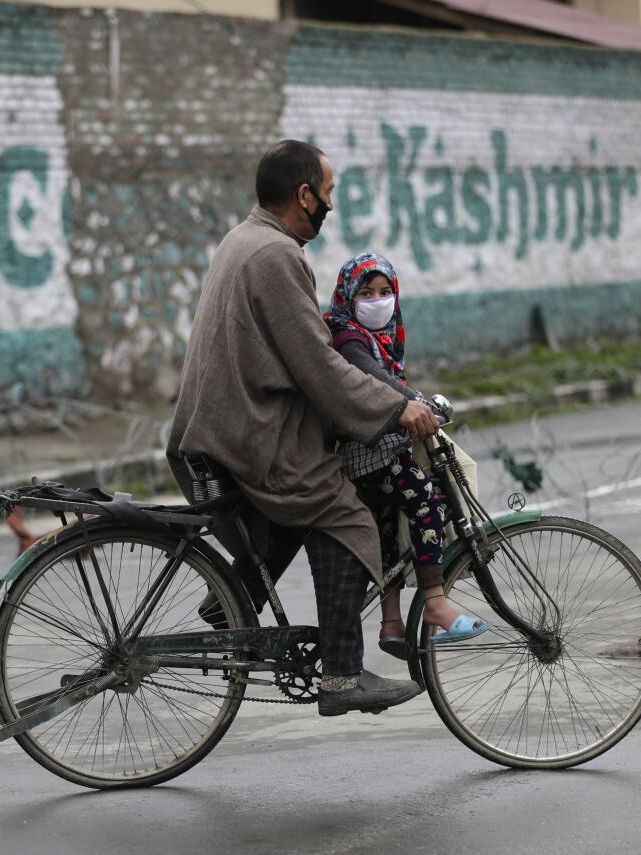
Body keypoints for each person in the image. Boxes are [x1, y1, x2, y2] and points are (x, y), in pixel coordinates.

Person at [166, 139, 440, 717]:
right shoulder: (276, 255)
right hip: (248, 433)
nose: (332, 204)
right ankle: (341, 677)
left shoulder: (246, 238)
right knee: (343, 512)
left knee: (307, 490)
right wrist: (395, 408)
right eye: (329, 192)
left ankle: (235, 595)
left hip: (224, 425)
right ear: (304, 194)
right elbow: (318, 365)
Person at [325, 252, 489, 660]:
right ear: (348, 296)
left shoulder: (383, 337)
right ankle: (435, 601)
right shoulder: (347, 335)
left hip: (369, 450)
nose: (376, 300)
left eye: (384, 292)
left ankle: (391, 622)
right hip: (371, 450)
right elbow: (373, 377)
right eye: (365, 292)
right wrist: (414, 403)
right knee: (427, 501)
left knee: (385, 531)